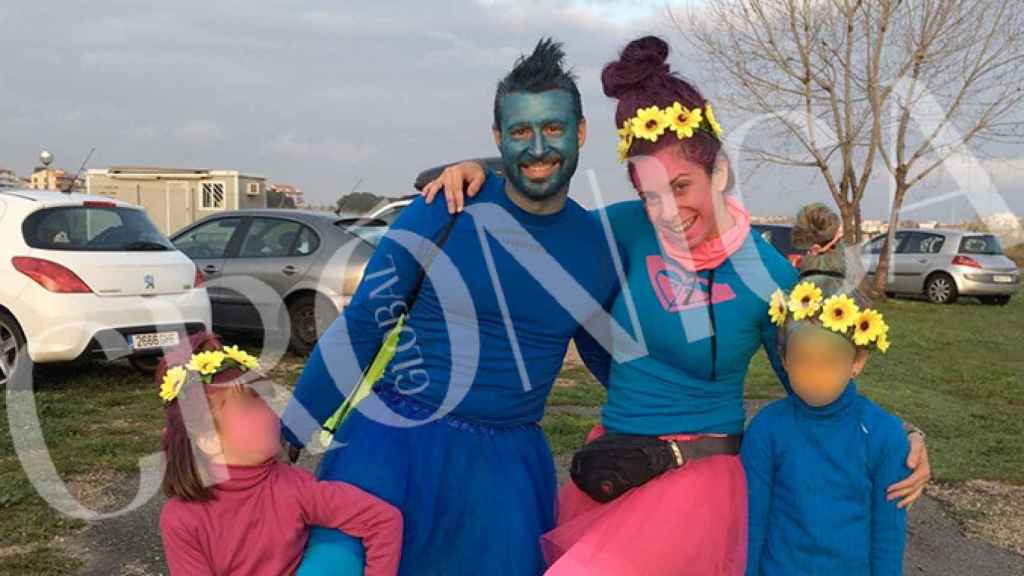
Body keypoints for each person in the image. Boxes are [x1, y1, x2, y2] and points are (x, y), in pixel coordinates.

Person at [422, 35, 930, 575]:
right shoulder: (624, 230)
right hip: (617, 466)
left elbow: (813, 381)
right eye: (651, 194)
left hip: (699, 480)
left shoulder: (769, 276)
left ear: (720, 174)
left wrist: (903, 436)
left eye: (682, 186)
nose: (667, 211)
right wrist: (481, 172)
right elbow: (540, 211)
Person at [281, 38, 619, 575]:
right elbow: (365, 324)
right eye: (519, 131)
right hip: (394, 445)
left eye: (553, 128)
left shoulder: (596, 249)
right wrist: (289, 435)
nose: (537, 148)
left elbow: (612, 367)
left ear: (579, 132)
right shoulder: (445, 207)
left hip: (506, 477)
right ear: (498, 138)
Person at [742, 203, 908, 575]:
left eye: (830, 360)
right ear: (783, 358)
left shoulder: (883, 437)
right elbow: (752, 527)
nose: (815, 374)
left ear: (857, 360)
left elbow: (887, 539)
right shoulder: (767, 431)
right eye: (803, 358)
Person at [157, 334, 402, 576]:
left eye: (265, 401)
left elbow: (382, 520)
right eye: (249, 408)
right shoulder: (182, 519)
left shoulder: (295, 487)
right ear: (208, 439)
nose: (269, 414)